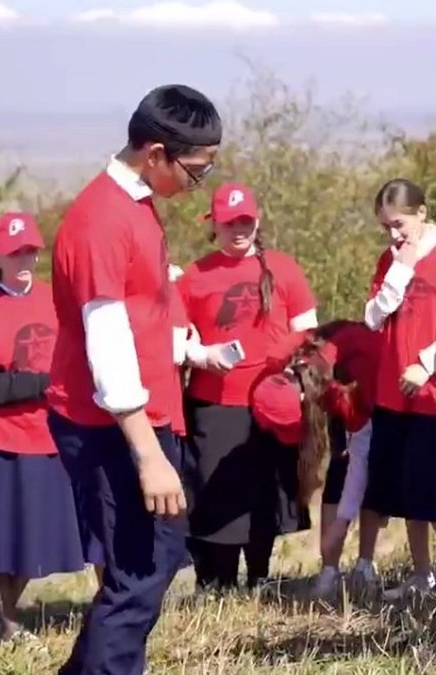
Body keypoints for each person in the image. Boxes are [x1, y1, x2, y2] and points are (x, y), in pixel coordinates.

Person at [47, 83, 218, 675]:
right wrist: (147, 453)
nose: (199, 184)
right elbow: (108, 342)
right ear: (154, 153)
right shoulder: (100, 221)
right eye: (196, 171)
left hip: (147, 413)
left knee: (157, 558)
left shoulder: (137, 204)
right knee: (138, 570)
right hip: (110, 423)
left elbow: (145, 310)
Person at [178, 182, 318, 590]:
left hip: (270, 405)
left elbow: (306, 327)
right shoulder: (195, 276)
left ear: (257, 221)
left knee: (263, 492)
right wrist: (202, 353)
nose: (238, 230)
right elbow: (178, 338)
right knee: (213, 493)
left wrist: (289, 362)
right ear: (214, 225)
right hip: (213, 402)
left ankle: (260, 575)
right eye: (228, 223)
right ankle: (214, 579)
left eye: (245, 221)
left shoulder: (282, 267)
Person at [0, 212, 86, 640]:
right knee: (1, 537)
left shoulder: (57, 299)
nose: (23, 260)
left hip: (49, 434)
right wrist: (44, 384)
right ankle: (7, 620)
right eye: (14, 253)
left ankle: (6, 615)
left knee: (39, 533)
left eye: (30, 251)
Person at [362, 178, 436, 600]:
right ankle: (422, 575)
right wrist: (400, 268)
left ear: (422, 213)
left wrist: (427, 363)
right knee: (407, 491)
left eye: (399, 224)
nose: (394, 235)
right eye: (385, 227)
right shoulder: (390, 261)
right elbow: (373, 317)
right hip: (391, 393)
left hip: (434, 393)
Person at [252, 320, 383, 599]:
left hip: (382, 394)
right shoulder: (284, 361)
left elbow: (360, 461)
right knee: (337, 475)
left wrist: (341, 523)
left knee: (370, 482)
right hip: (335, 382)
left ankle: (364, 566)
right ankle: (330, 570)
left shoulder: (348, 393)